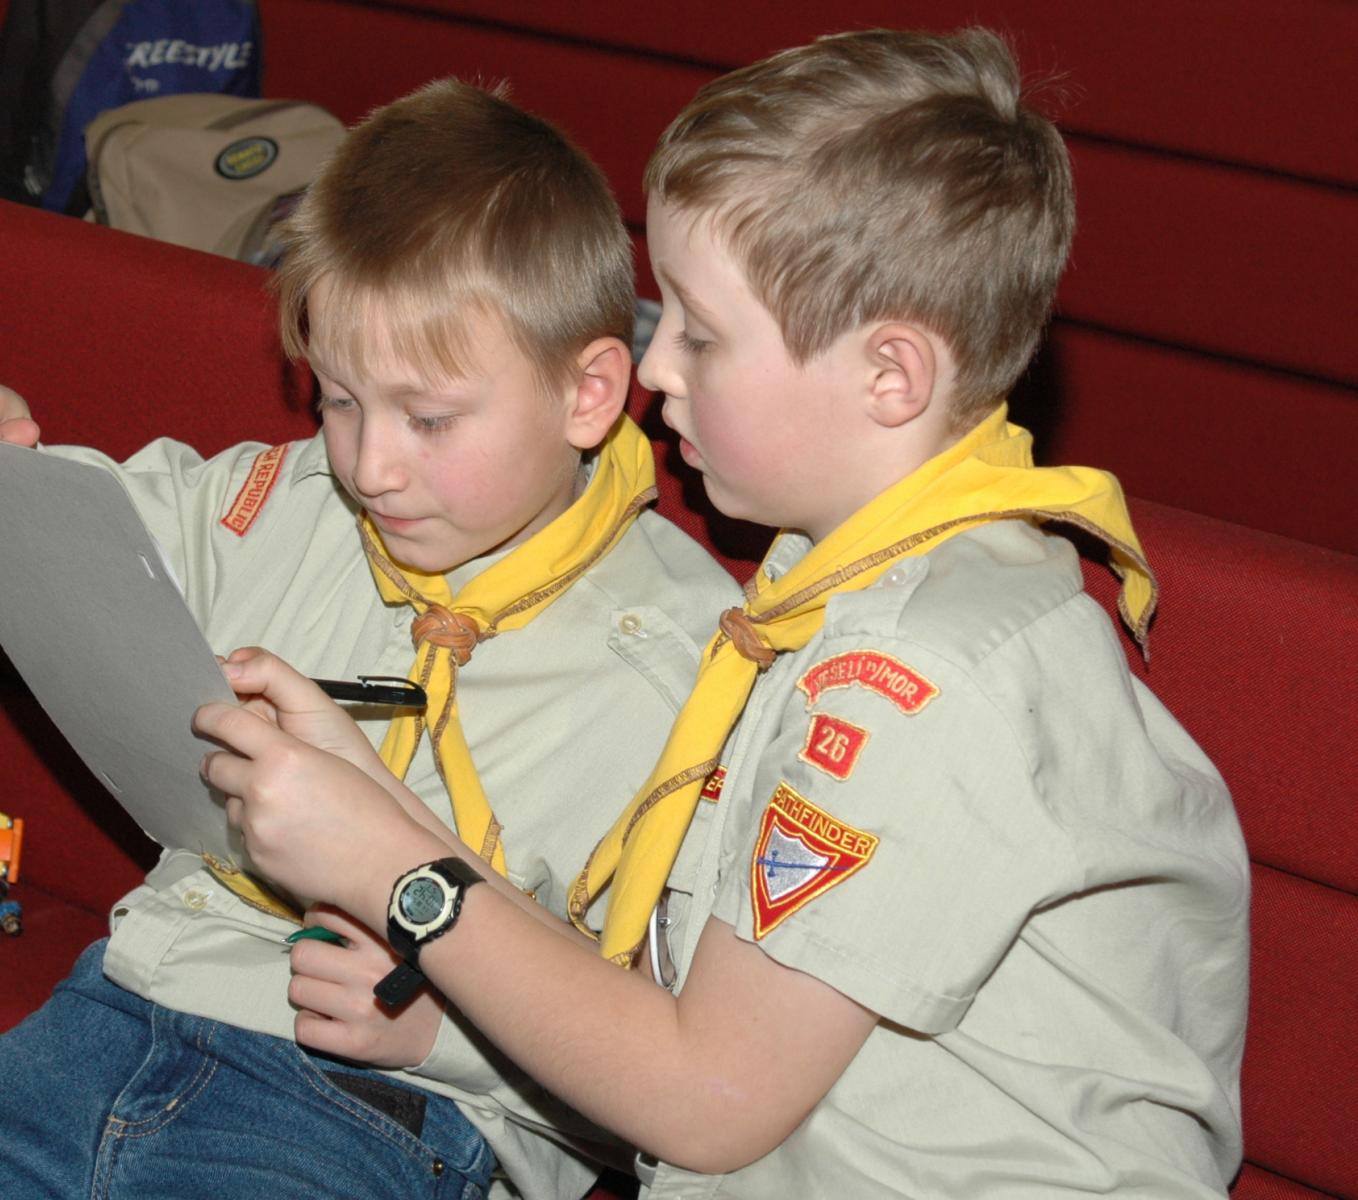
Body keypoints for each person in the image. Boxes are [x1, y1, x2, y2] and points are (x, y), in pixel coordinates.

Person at [197, 29, 1250, 1198]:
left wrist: (392, 863)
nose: (657, 372)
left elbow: (708, 1099)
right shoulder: (829, 587)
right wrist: (370, 804)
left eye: (701, 332)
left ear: (890, 377)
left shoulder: (920, 674)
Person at [0, 79, 737, 1200]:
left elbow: (691, 1074)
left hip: (378, 1101)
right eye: (338, 400)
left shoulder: (687, 663)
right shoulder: (275, 502)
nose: (370, 466)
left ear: (588, 394)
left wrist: (446, 1034)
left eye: (429, 418)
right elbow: (53, 566)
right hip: (116, 1014)